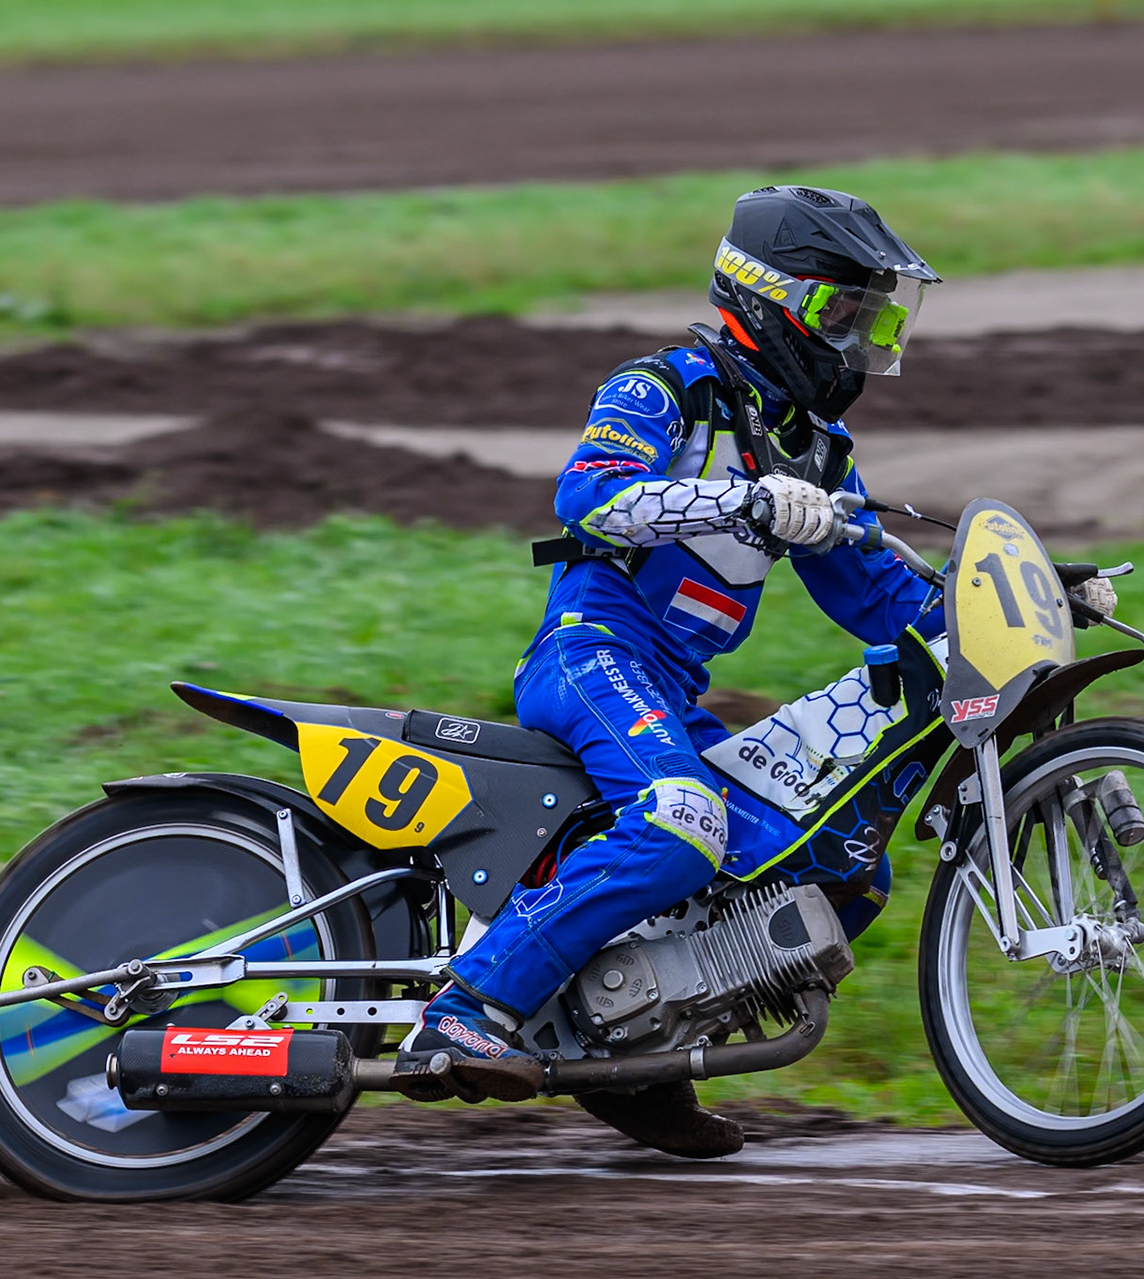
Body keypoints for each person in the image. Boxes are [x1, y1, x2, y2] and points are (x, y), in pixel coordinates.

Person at [396, 186, 944, 1155]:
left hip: (669, 693)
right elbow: (589, 499)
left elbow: (882, 598)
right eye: (843, 314)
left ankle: (637, 1057)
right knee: (682, 823)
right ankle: (466, 1003)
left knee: (839, 862)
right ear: (772, 299)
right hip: (589, 655)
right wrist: (744, 501)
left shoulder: (815, 450)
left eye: (873, 318)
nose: (860, 339)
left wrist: (1014, 606)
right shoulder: (664, 388)